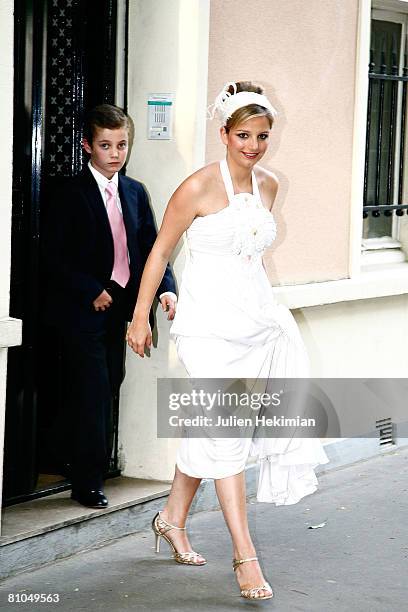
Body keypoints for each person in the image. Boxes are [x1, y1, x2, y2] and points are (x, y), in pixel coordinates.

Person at [126, 82, 329, 601]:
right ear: (223, 133)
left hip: (254, 324)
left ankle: (171, 518)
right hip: (207, 329)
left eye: (262, 135)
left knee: (213, 427)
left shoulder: (269, 186)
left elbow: (250, 258)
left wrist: (262, 309)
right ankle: (245, 556)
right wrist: (142, 314)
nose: (253, 146)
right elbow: (159, 253)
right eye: (243, 135)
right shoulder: (196, 188)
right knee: (227, 430)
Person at [41, 104, 177, 509]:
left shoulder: (135, 192)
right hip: (83, 309)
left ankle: (79, 461)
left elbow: (154, 248)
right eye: (106, 145)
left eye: (122, 144)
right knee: (92, 390)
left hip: (122, 305)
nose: (116, 153)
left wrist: (164, 290)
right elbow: (50, 254)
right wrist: (89, 289)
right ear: (87, 146)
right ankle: (87, 480)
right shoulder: (69, 193)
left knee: (109, 383)